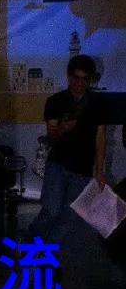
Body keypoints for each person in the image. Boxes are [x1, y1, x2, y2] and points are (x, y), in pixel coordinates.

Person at [32, 54, 106, 240]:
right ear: (69, 76)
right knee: (51, 211)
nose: (80, 83)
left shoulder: (97, 103)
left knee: (69, 218)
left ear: (91, 79)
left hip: (83, 169)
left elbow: (100, 137)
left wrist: (99, 171)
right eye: (76, 78)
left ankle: (47, 251)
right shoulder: (56, 101)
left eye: (85, 79)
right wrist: (63, 129)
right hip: (59, 164)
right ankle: (30, 244)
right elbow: (51, 136)